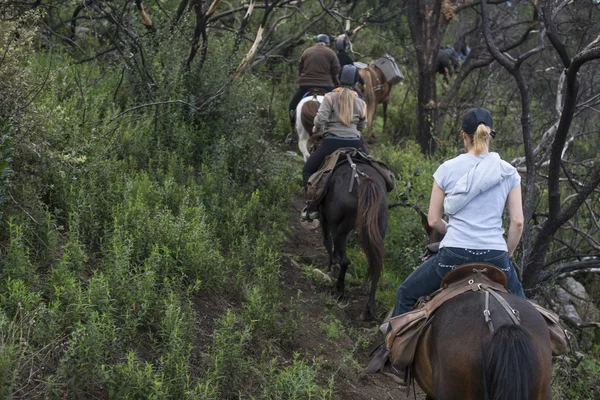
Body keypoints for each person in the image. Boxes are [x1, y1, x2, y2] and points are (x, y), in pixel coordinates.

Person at [366, 107, 526, 373]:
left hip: (454, 255)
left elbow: (432, 221)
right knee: (526, 309)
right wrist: (505, 254)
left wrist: (449, 229)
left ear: (463, 135)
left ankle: (391, 356)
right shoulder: (508, 172)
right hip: (495, 256)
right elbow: (517, 223)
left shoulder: (447, 169)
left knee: (406, 293)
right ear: (490, 135)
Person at [300, 64, 368, 221]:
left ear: (339, 79)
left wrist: (319, 127)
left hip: (331, 143)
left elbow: (320, 120)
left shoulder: (330, 97)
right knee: (375, 169)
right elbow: (362, 125)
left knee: (308, 170)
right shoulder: (361, 103)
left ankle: (313, 207)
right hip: (355, 144)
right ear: (356, 82)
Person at [288, 34, 341, 131]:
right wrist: (337, 85)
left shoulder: (306, 52)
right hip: (326, 86)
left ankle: (293, 131)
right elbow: (336, 72)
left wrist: (301, 80)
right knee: (339, 108)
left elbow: (300, 69)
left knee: (292, 106)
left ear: (316, 42)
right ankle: (338, 130)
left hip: (306, 86)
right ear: (327, 44)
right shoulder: (331, 53)